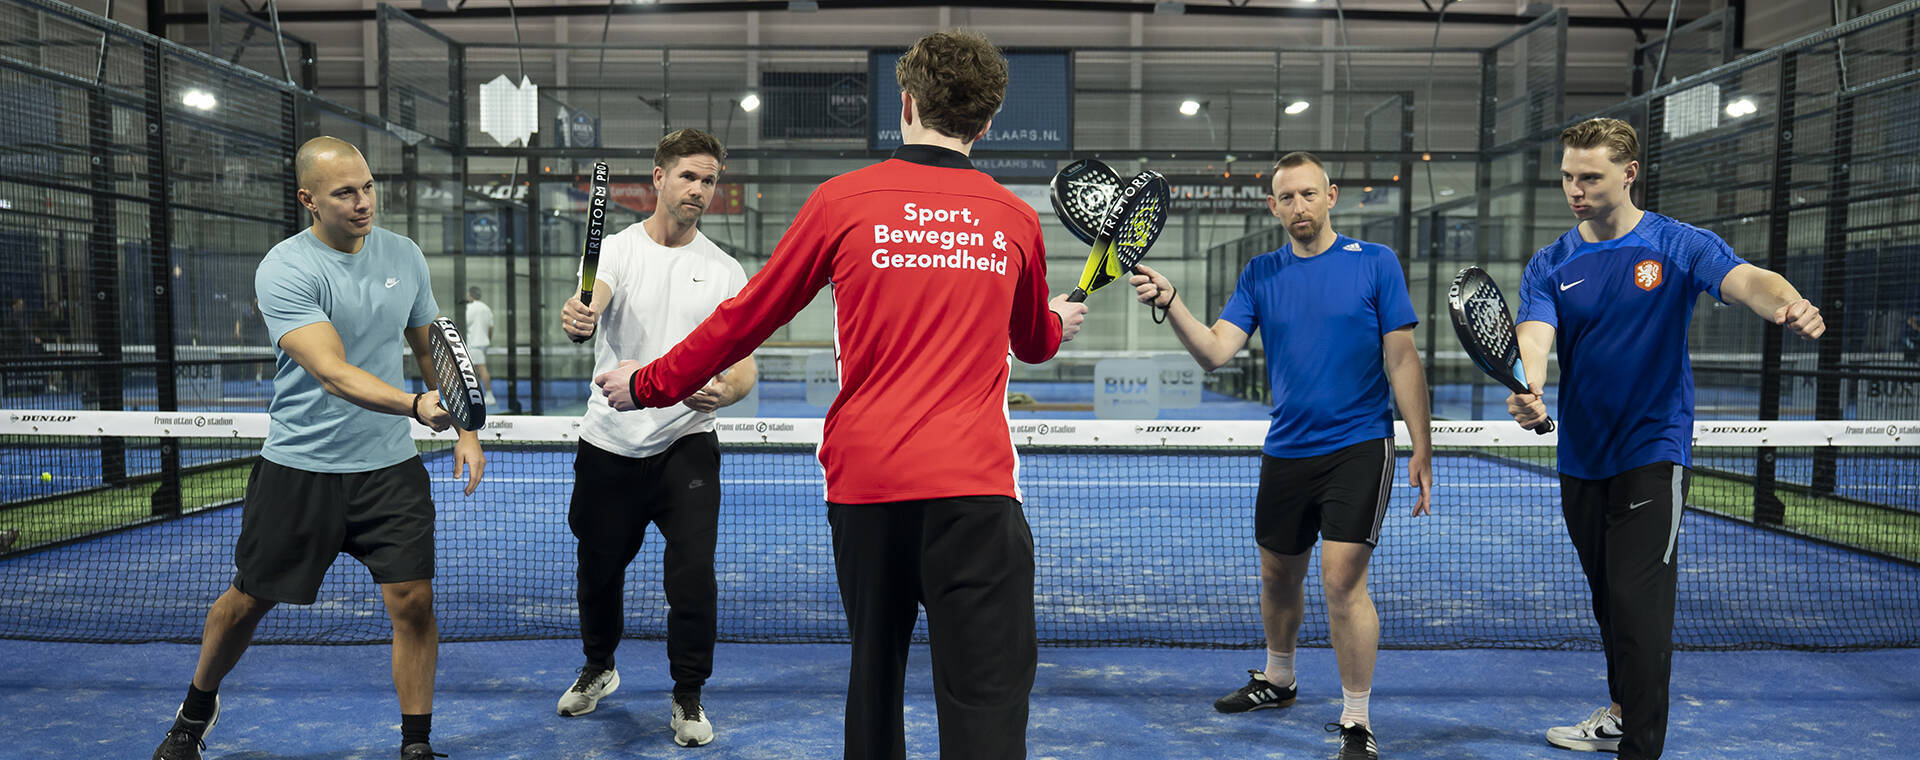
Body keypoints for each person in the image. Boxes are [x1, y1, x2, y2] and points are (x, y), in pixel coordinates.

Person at [595, 30, 1087, 760]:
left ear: (907, 103)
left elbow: (744, 317)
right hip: (977, 495)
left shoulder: (842, 200)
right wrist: (1058, 320)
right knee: (986, 699)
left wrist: (648, 384)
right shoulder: (1014, 218)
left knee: (875, 676)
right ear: (987, 123)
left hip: (866, 490)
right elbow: (1034, 343)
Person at [150, 136, 485, 760]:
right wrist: (416, 407)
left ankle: (416, 744)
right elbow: (331, 371)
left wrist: (466, 428)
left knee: (413, 600)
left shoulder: (403, 254)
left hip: (388, 469)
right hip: (300, 468)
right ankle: (196, 710)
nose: (364, 203)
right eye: (344, 193)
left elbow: (430, 347)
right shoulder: (285, 268)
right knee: (249, 599)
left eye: (368, 186)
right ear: (308, 199)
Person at [1506, 117, 1823, 760]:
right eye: (1567, 176)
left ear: (1629, 173)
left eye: (1590, 177)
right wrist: (1528, 384)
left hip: (1655, 448)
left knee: (1637, 599)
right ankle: (1623, 712)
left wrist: (1786, 303)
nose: (1575, 189)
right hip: (1582, 454)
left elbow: (1747, 279)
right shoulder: (1551, 263)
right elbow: (1534, 336)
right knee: (1608, 599)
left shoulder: (1680, 244)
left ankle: (1640, 750)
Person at [1127, 151, 1431, 760]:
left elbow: (1401, 359)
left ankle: (1355, 719)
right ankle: (1279, 680)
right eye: (1286, 198)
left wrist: (1422, 445)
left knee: (1342, 582)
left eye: (1308, 194)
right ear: (1273, 206)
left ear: (1331, 195)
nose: (1299, 207)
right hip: (1287, 448)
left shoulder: (1375, 263)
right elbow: (1216, 352)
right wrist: (1171, 301)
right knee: (1277, 574)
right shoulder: (1261, 272)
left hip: (1360, 445)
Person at [552, 128, 757, 748]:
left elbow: (745, 364)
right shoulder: (614, 251)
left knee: (692, 576)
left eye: (710, 180)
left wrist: (726, 391)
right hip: (610, 443)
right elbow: (593, 299)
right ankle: (599, 667)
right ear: (659, 177)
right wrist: (580, 312)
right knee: (599, 569)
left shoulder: (725, 271)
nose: (699, 189)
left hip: (687, 444)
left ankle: (688, 694)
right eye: (689, 176)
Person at [464, 287, 496, 406]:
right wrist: (487, 339)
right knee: (478, 370)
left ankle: (489, 396)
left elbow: (464, 323)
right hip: (482, 343)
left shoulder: (470, 308)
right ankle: (481, 396)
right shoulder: (486, 308)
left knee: (480, 370)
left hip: (473, 343)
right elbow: (491, 327)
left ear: (470, 295)